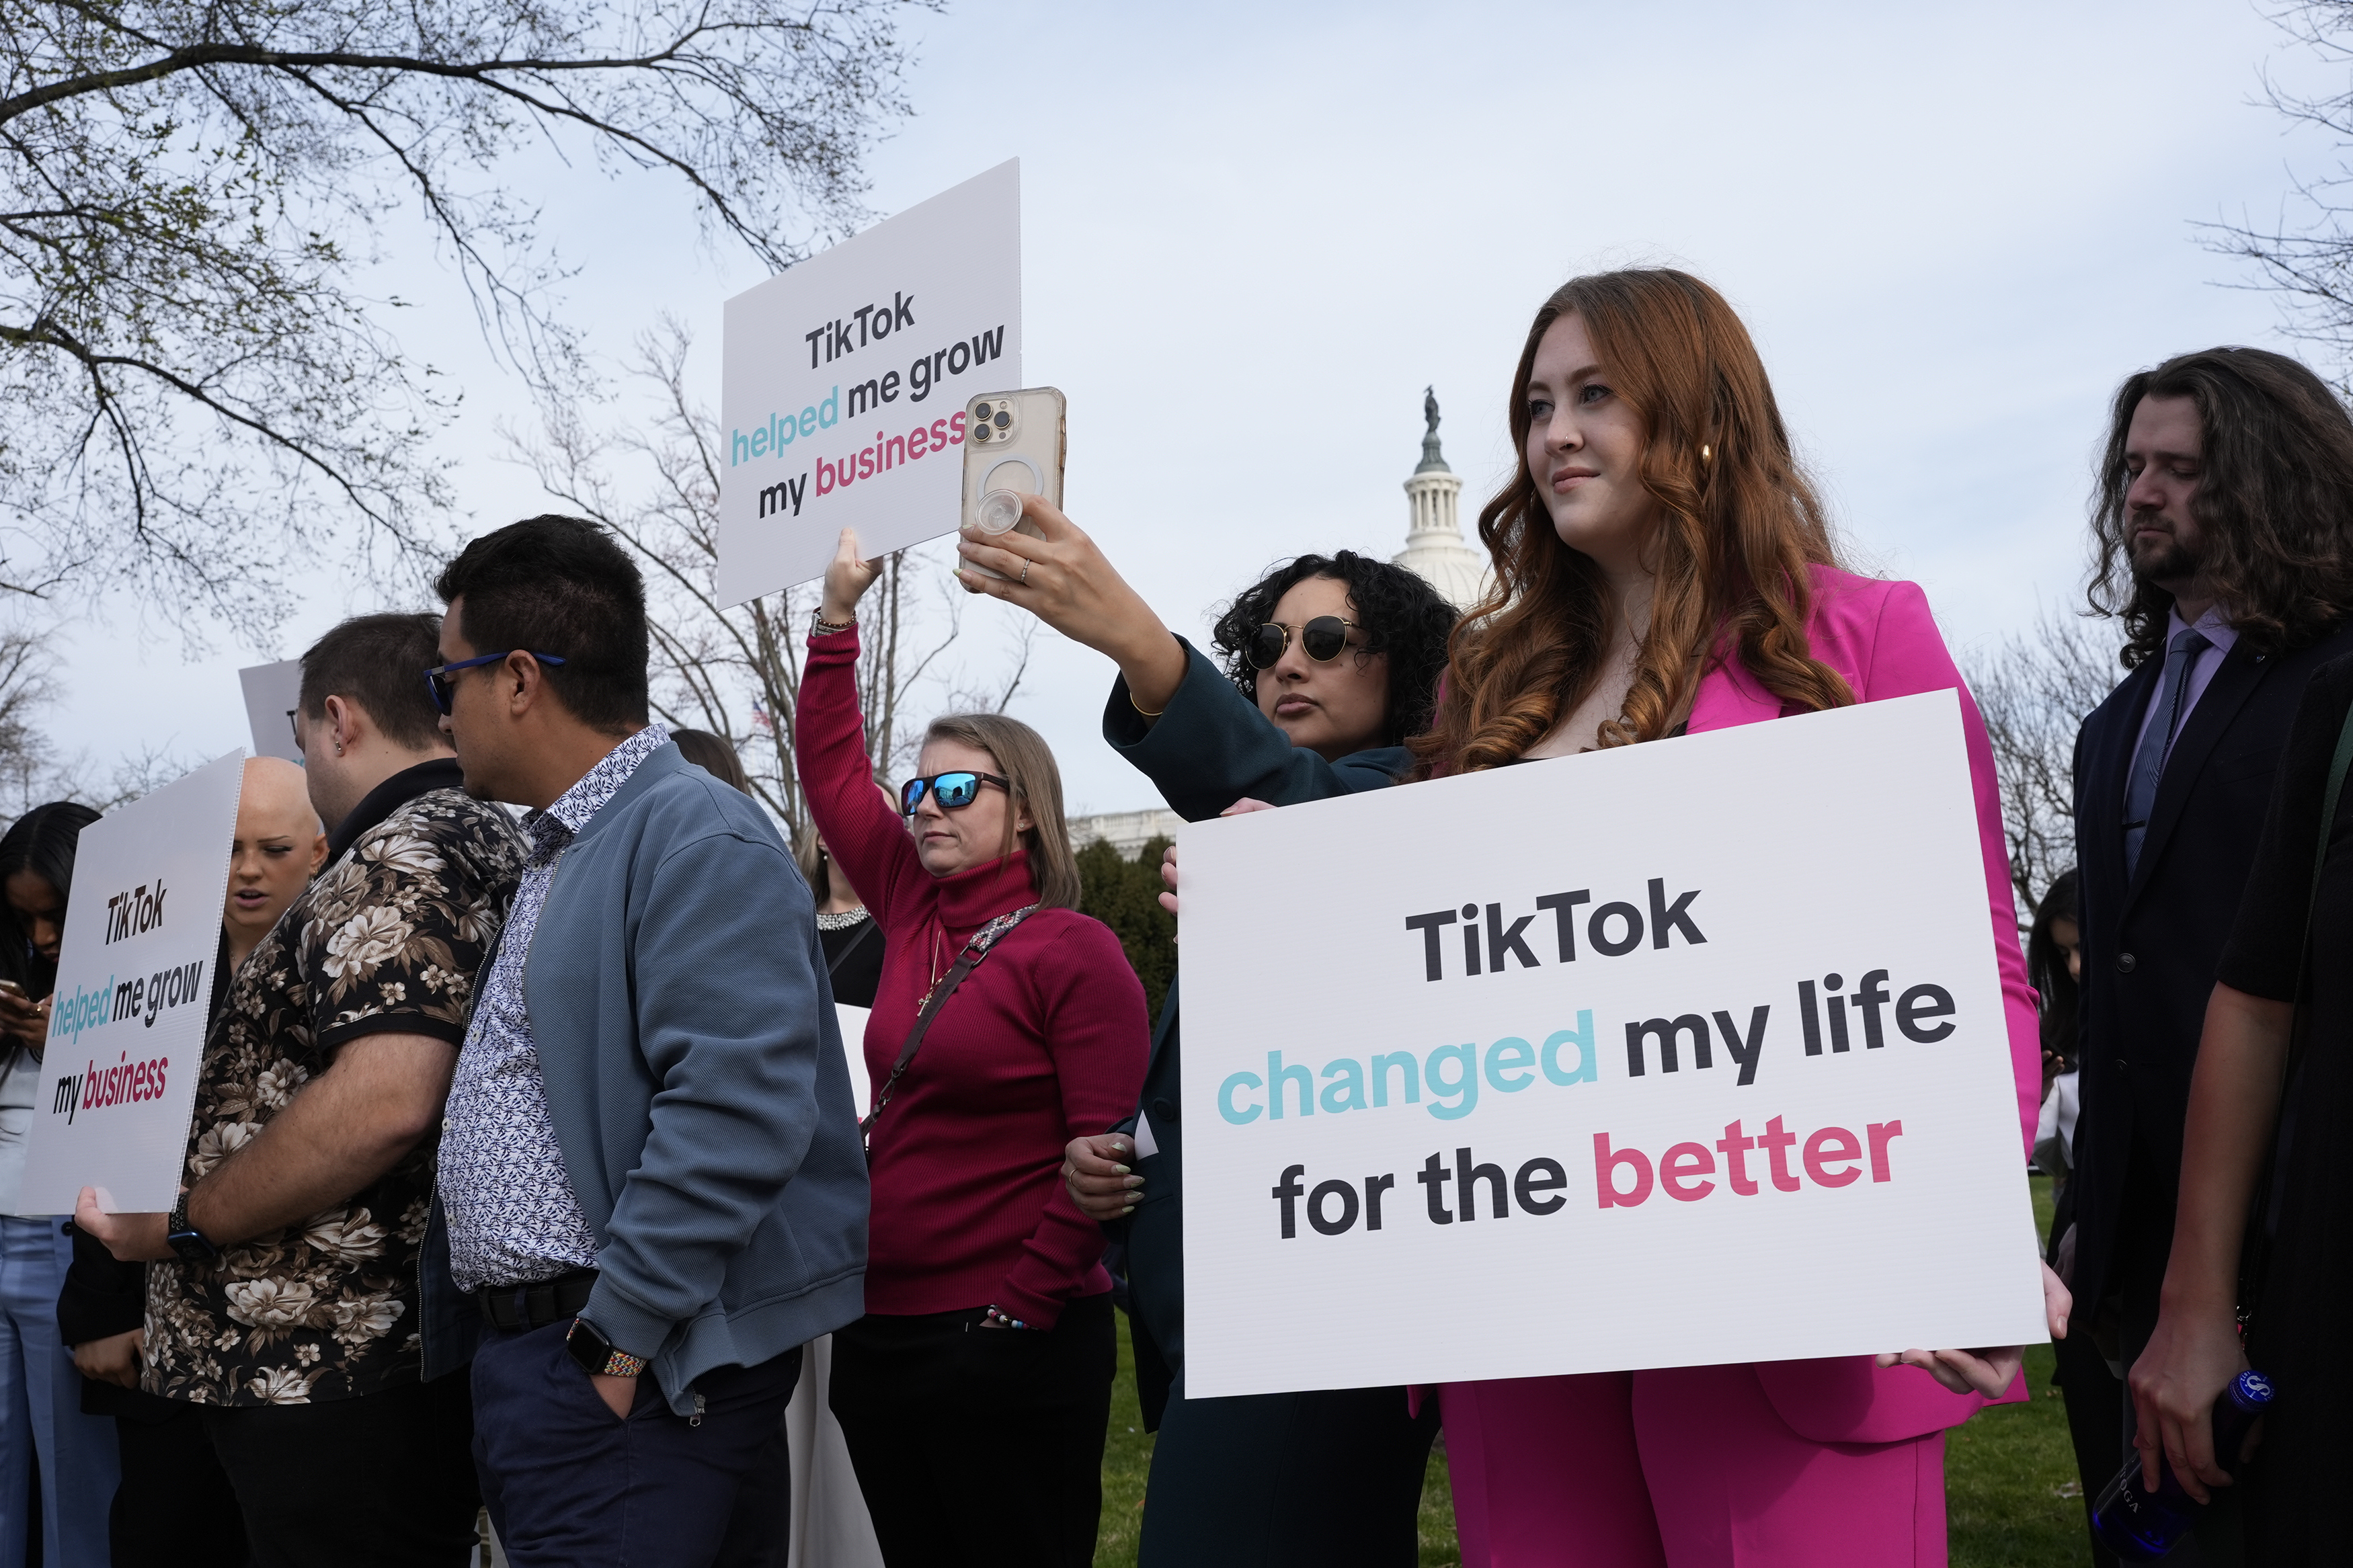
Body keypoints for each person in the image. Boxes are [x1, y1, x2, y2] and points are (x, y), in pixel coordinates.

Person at [1391, 268, 2057, 1565]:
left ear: (1699, 419)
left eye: (1596, 395)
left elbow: (1980, 967)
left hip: (1800, 1306)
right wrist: (1277, 896)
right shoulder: (1487, 683)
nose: (1554, 434)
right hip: (1531, 1305)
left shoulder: (1862, 637)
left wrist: (1960, 1219)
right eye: (1537, 405)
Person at [953, 515, 1456, 1564]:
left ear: (1405, 666)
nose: (1288, 664)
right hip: (1222, 1328)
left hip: (1321, 1331)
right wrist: (1127, 1167)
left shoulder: (1407, 799)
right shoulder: (1252, 845)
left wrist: (1139, 644)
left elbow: (1300, 802)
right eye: (1267, 646)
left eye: (1327, 642)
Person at [424, 515, 867, 1568]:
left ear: (521, 678)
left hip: (634, 1362)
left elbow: (736, 1111)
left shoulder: (693, 834)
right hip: (570, 1360)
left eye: (450, 684)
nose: (443, 715)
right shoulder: (571, 843)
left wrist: (616, 1339)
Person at [79, 612, 527, 1568]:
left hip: (331, 1371)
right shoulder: (473, 834)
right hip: (339, 1364)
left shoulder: (397, 854)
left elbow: (385, 1098)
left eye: (297, 738)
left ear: (337, 720)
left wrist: (184, 1221)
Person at [799, 526, 1148, 1568]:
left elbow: (1105, 1166)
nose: (928, 809)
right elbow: (829, 771)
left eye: (959, 790)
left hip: (1009, 1338)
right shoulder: (908, 905)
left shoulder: (1073, 951)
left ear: (1026, 814)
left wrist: (1015, 1317)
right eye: (920, 792)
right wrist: (834, 619)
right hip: (880, 1330)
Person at [2063, 346, 2353, 1561]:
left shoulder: (2328, 685)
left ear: (2273, 484)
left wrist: (2220, 1287)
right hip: (2116, 1265)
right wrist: (2082, 1213)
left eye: (2180, 469)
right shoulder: (2108, 726)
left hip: (2289, 1248)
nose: (2141, 494)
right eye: (2133, 466)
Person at [60, 757, 321, 1568]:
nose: (246, 869)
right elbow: (99, 1136)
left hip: (304, 1344)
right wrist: (100, 1309)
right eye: (229, 847)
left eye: (272, 848)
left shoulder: (347, 968)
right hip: (162, 1332)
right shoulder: (143, 971)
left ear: (318, 850)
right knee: (166, 1535)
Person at [0, 801, 118, 1568]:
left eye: (58, 915)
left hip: (65, 1242)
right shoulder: (19, 970)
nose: (43, 937)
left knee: (76, 1482)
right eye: (26, 919)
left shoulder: (147, 978)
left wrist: (72, 1040)